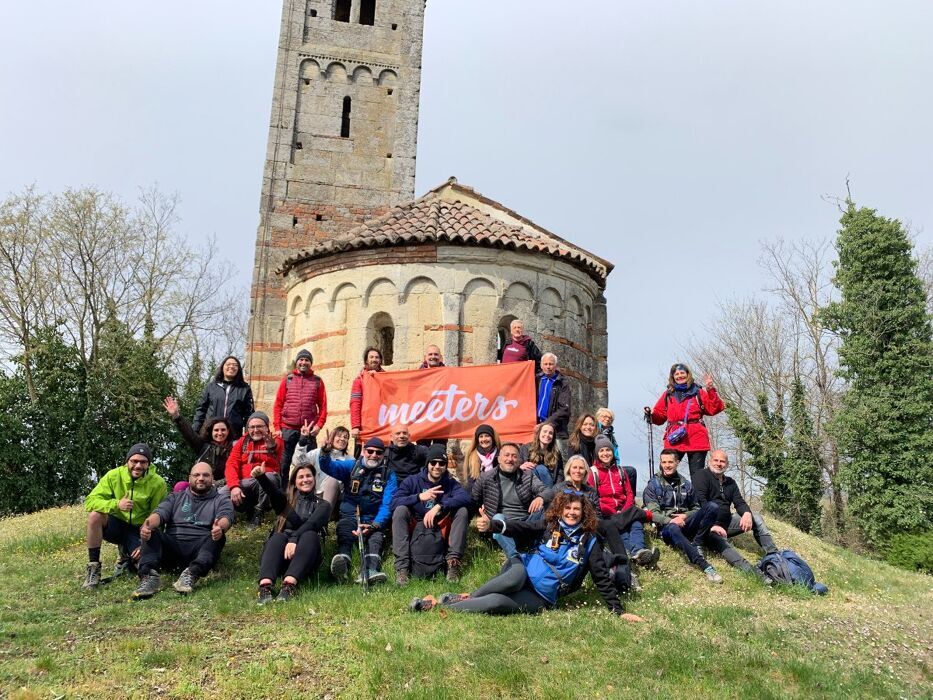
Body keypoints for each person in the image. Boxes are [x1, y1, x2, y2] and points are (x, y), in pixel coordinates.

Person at [410, 490, 645, 621]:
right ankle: (465, 597)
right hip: (522, 569)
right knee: (513, 579)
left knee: (497, 603)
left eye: (577, 509)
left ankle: (441, 605)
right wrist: (493, 525)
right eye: (568, 508)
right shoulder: (548, 525)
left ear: (584, 513)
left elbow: (602, 577)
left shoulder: (590, 540)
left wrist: (619, 611)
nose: (572, 513)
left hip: (542, 595)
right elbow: (522, 528)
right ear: (561, 509)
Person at [132, 462, 234, 599]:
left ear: (213, 478)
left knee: (218, 537)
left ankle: (191, 574)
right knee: (153, 532)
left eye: (206, 475)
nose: (201, 478)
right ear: (189, 478)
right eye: (196, 475)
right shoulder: (175, 497)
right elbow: (159, 513)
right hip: (172, 546)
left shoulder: (221, 499)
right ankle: (149, 577)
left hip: (200, 549)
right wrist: (148, 525)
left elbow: (226, 517)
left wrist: (220, 527)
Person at [82, 443, 168, 589]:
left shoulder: (158, 483)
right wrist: (116, 504)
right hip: (116, 525)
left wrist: (145, 543)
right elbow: (90, 501)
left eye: (143, 462)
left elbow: (159, 514)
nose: (138, 466)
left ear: (149, 464)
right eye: (134, 461)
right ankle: (93, 569)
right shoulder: (113, 475)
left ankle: (128, 557)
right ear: (127, 461)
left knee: (144, 563)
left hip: (139, 529)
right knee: (94, 516)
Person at [318, 433, 398, 584]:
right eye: (370, 451)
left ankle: (371, 571)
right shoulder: (351, 466)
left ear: (383, 455)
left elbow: (387, 505)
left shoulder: (389, 475)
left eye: (379, 452)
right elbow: (328, 466)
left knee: (375, 541)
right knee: (346, 535)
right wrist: (325, 453)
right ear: (363, 451)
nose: (374, 455)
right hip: (350, 516)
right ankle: (343, 567)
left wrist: (374, 525)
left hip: (373, 520)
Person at [390, 445, 471, 585]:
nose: (437, 466)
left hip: (440, 524)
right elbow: (394, 502)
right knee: (400, 510)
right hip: (416, 523)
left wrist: (440, 506)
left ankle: (453, 564)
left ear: (446, 465)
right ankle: (402, 569)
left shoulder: (451, 483)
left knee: (462, 511)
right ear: (427, 464)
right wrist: (419, 497)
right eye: (433, 462)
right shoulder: (412, 481)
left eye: (442, 463)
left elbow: (466, 498)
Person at [253, 462, 331, 604]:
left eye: (308, 476)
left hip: (307, 555)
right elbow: (274, 493)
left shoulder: (324, 505)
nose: (305, 479)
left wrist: (294, 538)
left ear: (314, 479)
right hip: (281, 556)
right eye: (300, 477)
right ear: (295, 481)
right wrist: (261, 477)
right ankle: (265, 588)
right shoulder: (286, 501)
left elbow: (311, 524)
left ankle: (289, 586)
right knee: (277, 536)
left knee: (310, 535)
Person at [642, 449, 723, 583]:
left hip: (686, 523)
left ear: (677, 463)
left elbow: (696, 508)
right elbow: (653, 514)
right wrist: (671, 520)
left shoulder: (686, 484)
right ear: (661, 463)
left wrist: (684, 516)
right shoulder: (653, 485)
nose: (667, 465)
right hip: (667, 528)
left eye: (670, 462)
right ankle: (704, 565)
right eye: (664, 462)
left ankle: (697, 542)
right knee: (673, 528)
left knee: (713, 507)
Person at [694, 450, 777, 578]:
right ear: (710, 461)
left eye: (722, 461)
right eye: (716, 460)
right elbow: (701, 502)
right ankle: (754, 573)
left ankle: (773, 555)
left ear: (727, 464)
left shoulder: (730, 482)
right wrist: (712, 525)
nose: (719, 464)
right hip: (707, 526)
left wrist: (747, 514)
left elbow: (739, 502)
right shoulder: (701, 475)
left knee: (756, 517)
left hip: (727, 523)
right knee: (723, 544)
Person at [588, 435, 659, 567]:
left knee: (635, 522)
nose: (605, 453)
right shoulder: (593, 473)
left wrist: (624, 509)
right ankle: (639, 554)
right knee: (626, 526)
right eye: (601, 450)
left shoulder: (620, 471)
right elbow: (593, 498)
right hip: (607, 514)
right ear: (597, 453)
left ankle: (638, 552)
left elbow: (629, 493)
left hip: (623, 510)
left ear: (612, 452)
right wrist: (613, 511)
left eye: (608, 450)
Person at [645, 363, 725, 478]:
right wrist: (651, 415)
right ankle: (667, 494)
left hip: (696, 437)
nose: (679, 376)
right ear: (673, 377)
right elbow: (660, 416)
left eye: (682, 373)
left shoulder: (698, 392)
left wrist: (710, 390)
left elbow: (714, 409)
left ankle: (698, 496)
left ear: (688, 375)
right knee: (666, 469)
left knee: (697, 475)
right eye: (676, 374)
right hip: (674, 437)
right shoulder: (668, 394)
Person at [471, 442, 546, 558]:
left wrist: (541, 497)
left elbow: (546, 490)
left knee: (547, 507)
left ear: (519, 460)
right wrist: (481, 517)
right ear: (499, 458)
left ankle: (541, 547)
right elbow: (473, 500)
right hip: (501, 528)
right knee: (497, 518)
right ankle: (515, 557)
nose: (510, 459)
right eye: (506, 455)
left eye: (514, 456)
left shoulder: (528, 476)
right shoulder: (486, 477)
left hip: (525, 524)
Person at [273, 349, 328, 480]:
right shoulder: (288, 379)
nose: (303, 362)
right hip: (288, 429)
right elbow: (278, 405)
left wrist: (319, 425)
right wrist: (277, 428)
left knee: (308, 464)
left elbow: (323, 407)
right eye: (301, 360)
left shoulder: (317, 381)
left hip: (308, 430)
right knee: (284, 465)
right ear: (297, 362)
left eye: (307, 360)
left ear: (311, 363)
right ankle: (284, 495)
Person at [224, 411, 284, 528]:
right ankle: (232, 515)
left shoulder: (275, 439)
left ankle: (259, 512)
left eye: (259, 426)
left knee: (269, 477)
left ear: (267, 427)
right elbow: (231, 463)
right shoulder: (243, 441)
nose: (255, 430)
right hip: (245, 482)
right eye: (252, 427)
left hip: (266, 481)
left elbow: (278, 449)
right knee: (221, 493)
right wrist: (234, 486)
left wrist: (272, 447)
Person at [164, 396, 234, 483]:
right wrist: (177, 416)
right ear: (211, 432)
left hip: (223, 487)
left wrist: (218, 484)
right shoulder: (203, 446)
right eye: (216, 430)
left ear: (228, 431)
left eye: (223, 430)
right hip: (200, 484)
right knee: (181, 485)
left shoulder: (234, 448)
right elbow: (189, 433)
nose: (219, 433)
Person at [290, 422, 348, 510]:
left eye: (346, 437)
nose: (342, 439)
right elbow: (299, 463)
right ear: (331, 438)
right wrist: (302, 442)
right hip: (313, 493)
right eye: (339, 436)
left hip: (334, 498)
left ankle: (324, 516)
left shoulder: (349, 460)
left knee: (332, 480)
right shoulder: (317, 452)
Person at [192, 355, 254, 437]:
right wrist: (194, 431)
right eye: (228, 364)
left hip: (233, 435)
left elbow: (248, 414)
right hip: (211, 433)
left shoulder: (244, 389)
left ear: (239, 369)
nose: (231, 366)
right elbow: (201, 409)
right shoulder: (211, 387)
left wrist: (248, 436)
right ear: (222, 367)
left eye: (235, 365)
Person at [535, 353, 572, 451]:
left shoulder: (562, 383)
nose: (548, 367)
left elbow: (564, 409)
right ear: (541, 365)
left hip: (556, 430)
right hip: (535, 427)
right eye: (545, 364)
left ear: (555, 366)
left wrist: (546, 424)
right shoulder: (536, 379)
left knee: (556, 459)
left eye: (551, 364)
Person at [350, 347, 385, 446]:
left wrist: (379, 377)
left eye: (377, 357)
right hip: (365, 427)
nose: (374, 359)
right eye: (371, 357)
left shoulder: (387, 378)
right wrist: (355, 426)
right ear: (366, 360)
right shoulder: (359, 380)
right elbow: (355, 403)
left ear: (380, 360)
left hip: (383, 425)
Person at [520, 421, 564, 488]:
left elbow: (560, 474)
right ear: (539, 433)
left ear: (553, 437)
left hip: (550, 487)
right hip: (529, 484)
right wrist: (520, 467)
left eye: (550, 433)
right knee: (539, 468)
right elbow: (516, 466)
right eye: (545, 431)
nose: (547, 435)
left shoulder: (556, 453)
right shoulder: (525, 448)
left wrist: (556, 489)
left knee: (541, 468)